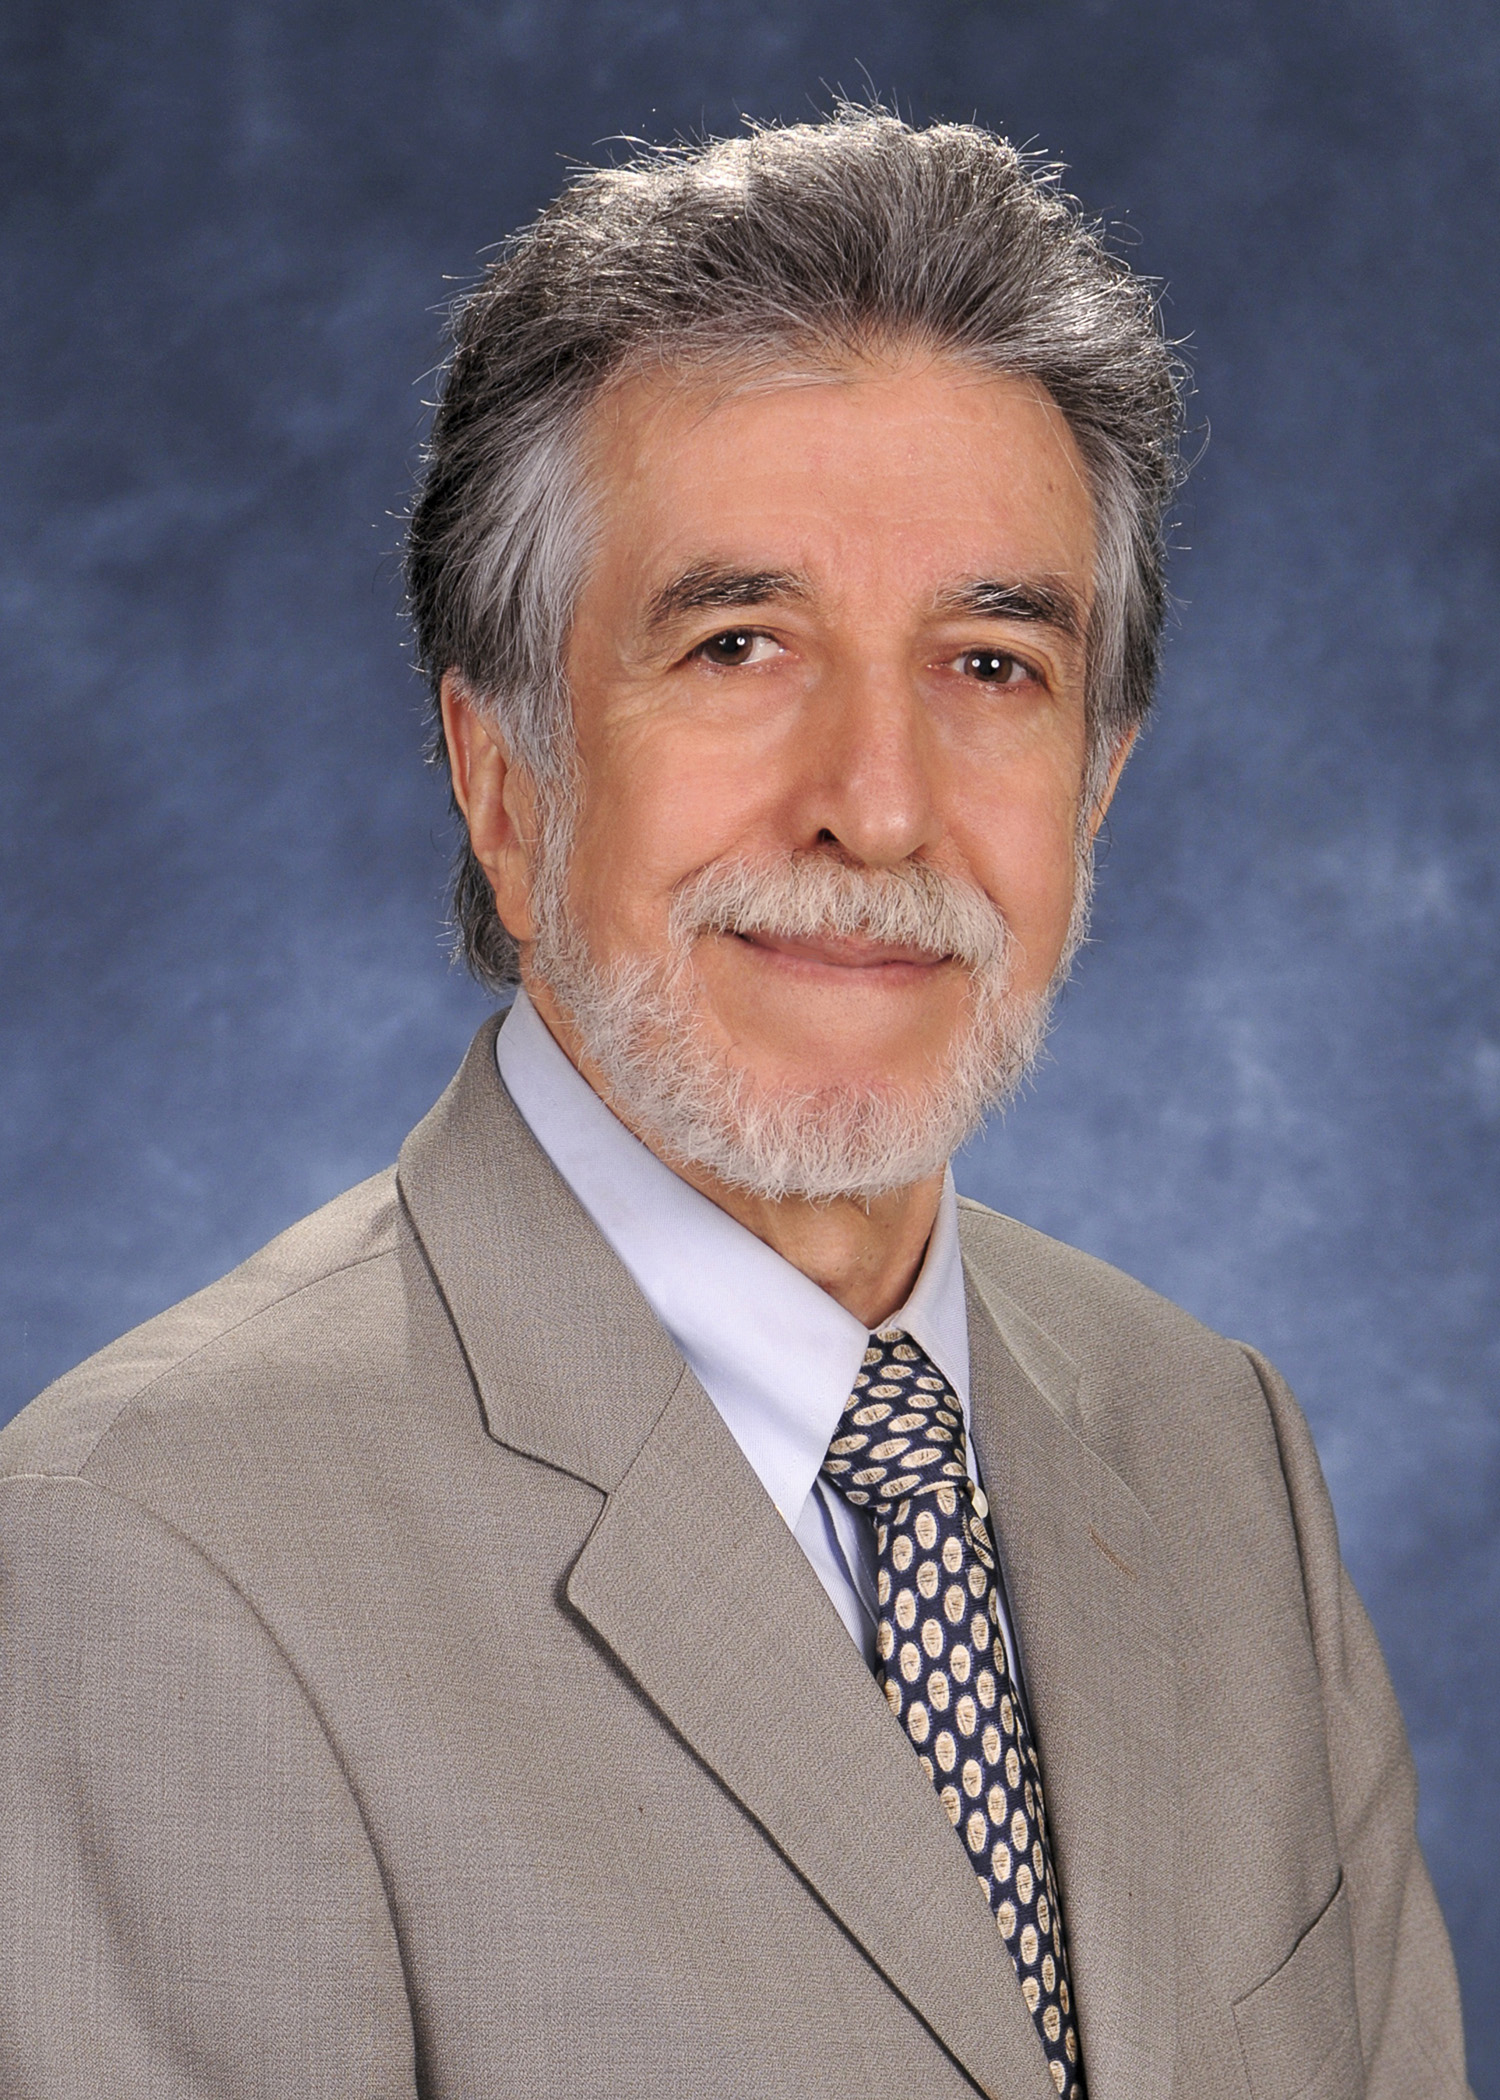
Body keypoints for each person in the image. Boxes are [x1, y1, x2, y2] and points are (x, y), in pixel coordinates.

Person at [0, 109, 1471, 2100]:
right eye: (739, 645)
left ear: (1097, 787)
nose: (878, 803)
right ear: (503, 780)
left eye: (989, 663)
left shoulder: (1220, 1452)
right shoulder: (146, 1556)